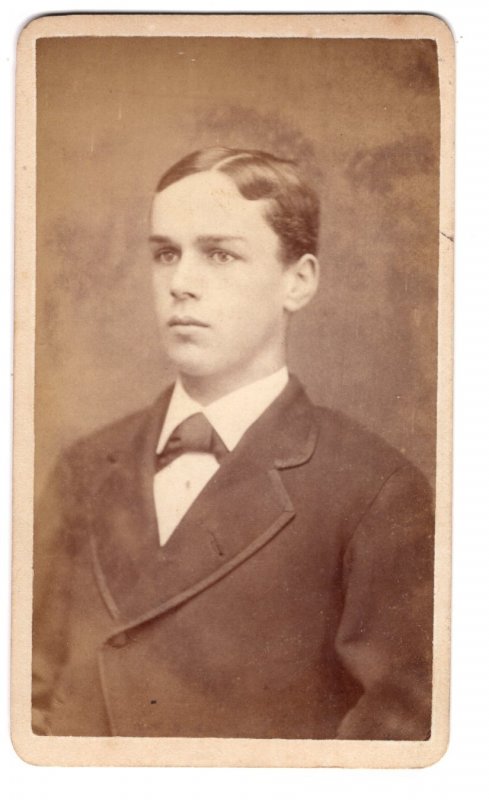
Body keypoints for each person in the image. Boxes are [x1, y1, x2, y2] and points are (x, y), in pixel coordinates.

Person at [32, 147, 434, 740]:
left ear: (297, 281)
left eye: (219, 254)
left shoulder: (374, 490)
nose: (181, 284)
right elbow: (24, 701)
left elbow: (400, 741)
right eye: (165, 253)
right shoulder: (85, 467)